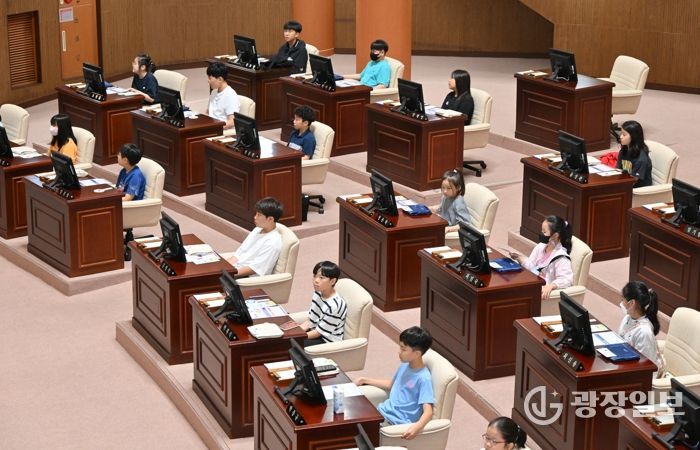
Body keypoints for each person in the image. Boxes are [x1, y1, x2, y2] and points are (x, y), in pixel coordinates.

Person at [354, 326, 434, 440]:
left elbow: (428, 411)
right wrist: (364, 380)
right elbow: (391, 385)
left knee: (354, 435)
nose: (399, 352)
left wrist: (416, 428)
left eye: (403, 349)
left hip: (395, 422)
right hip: (382, 412)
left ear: (417, 353)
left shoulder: (423, 378)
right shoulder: (405, 365)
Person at [511, 215, 573, 300]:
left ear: (555, 235)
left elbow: (566, 280)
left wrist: (551, 286)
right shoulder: (540, 246)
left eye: (544, 232)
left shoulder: (561, 258)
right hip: (531, 282)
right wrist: (520, 258)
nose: (541, 234)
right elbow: (533, 267)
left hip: (540, 293)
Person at [226, 197, 283, 277]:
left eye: (259, 215)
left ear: (270, 219)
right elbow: (239, 254)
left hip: (246, 277)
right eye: (256, 214)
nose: (255, 217)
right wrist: (224, 268)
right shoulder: (257, 229)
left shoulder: (272, 242)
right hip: (234, 270)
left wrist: (228, 274)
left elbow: (253, 269)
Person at [619, 281, 664, 376]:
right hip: (626, 362)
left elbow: (644, 367)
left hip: (643, 376)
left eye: (623, 299)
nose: (621, 302)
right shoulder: (628, 318)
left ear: (632, 303)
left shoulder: (644, 332)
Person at [300, 261, 347, 347]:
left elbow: (319, 332)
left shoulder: (334, 306)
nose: (316, 280)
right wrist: (295, 333)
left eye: (321, 278)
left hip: (327, 341)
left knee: (291, 345)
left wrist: (297, 337)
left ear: (332, 281)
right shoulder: (318, 292)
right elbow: (310, 320)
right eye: (315, 276)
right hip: (315, 332)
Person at [430, 169, 470, 234]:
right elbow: (441, 208)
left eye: (449, 188)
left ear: (458, 188)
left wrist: (449, 229)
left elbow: (466, 224)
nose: (445, 191)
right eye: (443, 187)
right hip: (443, 223)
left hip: (451, 228)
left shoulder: (458, 202)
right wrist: (428, 208)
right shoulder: (446, 196)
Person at [617, 120, 652, 188]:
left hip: (639, 189)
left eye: (624, 135)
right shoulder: (624, 150)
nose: (620, 137)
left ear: (634, 137)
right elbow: (618, 170)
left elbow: (632, 181)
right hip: (625, 181)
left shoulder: (641, 159)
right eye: (621, 133)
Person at [207, 61, 240, 130]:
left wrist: (214, 128)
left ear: (220, 79)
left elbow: (232, 122)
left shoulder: (230, 95)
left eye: (210, 78)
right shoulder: (214, 92)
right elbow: (209, 112)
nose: (208, 81)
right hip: (212, 126)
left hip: (222, 130)